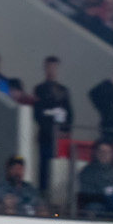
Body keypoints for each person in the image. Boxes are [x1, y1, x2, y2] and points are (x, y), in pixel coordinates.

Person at [32, 56, 73, 192]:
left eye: (54, 67)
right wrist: (51, 130)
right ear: (45, 68)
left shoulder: (63, 90)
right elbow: (38, 114)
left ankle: (58, 192)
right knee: (45, 165)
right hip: (46, 136)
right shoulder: (39, 89)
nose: (52, 70)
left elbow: (69, 113)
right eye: (49, 67)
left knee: (60, 165)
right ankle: (43, 191)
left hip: (61, 137)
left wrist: (66, 130)